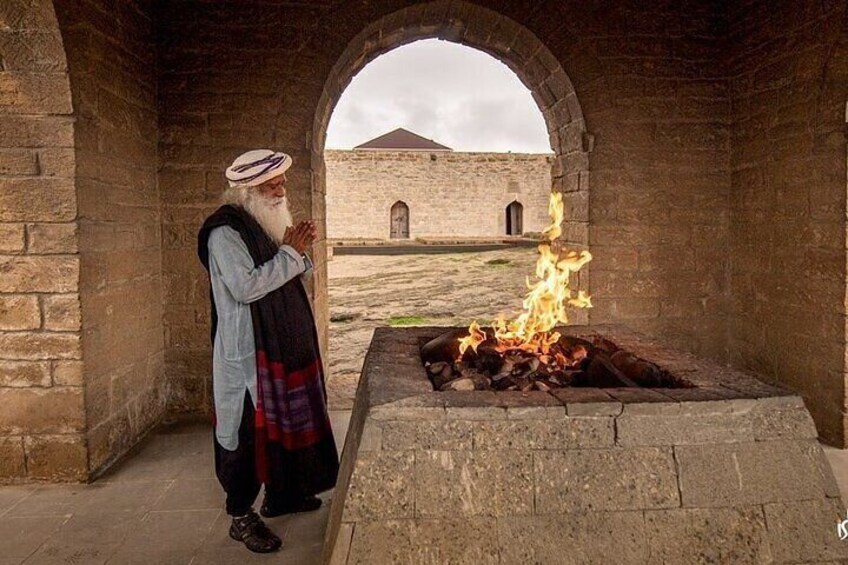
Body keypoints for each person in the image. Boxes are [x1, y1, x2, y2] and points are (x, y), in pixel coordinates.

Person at [197, 149, 339, 553]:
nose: (281, 191)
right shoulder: (225, 232)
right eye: (272, 185)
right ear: (247, 191)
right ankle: (241, 516)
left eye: (281, 183)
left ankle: (285, 494)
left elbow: (290, 269)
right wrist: (291, 252)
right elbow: (246, 287)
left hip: (284, 347)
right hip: (250, 354)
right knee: (244, 433)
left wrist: (298, 248)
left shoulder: (264, 220)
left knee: (287, 421)